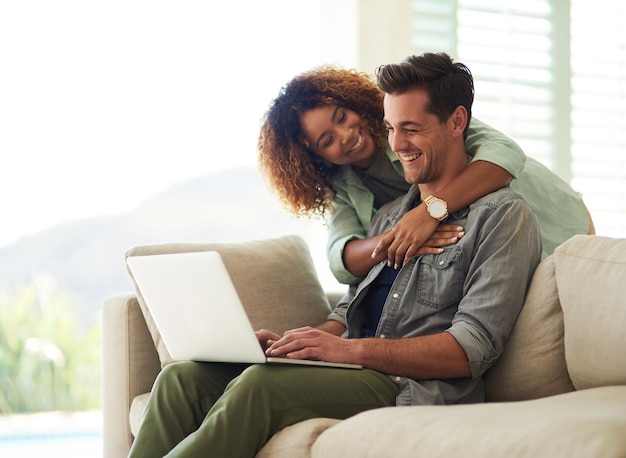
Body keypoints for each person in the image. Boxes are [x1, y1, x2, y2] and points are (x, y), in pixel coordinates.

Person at [127, 52, 542, 457]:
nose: (396, 144)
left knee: (259, 387)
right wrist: (295, 344)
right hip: (355, 367)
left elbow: (471, 349)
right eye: (391, 127)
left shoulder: (502, 217)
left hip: (409, 386)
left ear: (456, 122)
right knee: (182, 379)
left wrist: (353, 352)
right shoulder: (390, 218)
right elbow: (348, 313)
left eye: (411, 129)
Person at [258, 64, 593, 285]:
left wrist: (428, 213)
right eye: (327, 140)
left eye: (342, 116)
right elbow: (341, 259)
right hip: (502, 249)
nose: (345, 134)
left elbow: (504, 154)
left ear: (354, 104)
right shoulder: (345, 186)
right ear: (313, 156)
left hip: (556, 216)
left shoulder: (415, 121)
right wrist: (400, 239)